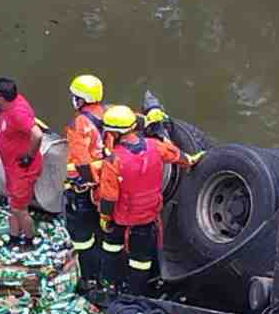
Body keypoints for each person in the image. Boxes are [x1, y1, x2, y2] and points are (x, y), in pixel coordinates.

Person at [96, 105, 203, 296]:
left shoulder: (113, 160)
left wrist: (105, 217)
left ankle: (114, 285)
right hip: (150, 217)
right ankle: (140, 292)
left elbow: (108, 196)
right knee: (142, 261)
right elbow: (177, 156)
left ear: (115, 132)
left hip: (124, 219)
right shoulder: (155, 146)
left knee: (112, 248)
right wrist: (192, 159)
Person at [63, 74, 106, 294]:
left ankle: (90, 279)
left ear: (81, 99)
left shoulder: (78, 124)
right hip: (105, 186)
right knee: (103, 231)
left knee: (82, 238)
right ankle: (106, 272)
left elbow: (80, 160)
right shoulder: (110, 114)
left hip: (83, 189)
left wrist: (86, 183)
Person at [0, 78, 42, 249]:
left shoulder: (17, 113)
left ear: (1, 98)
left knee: (20, 209)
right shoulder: (10, 105)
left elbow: (37, 134)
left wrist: (28, 155)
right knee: (13, 205)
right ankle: (14, 236)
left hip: (21, 169)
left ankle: (29, 240)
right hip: (11, 167)